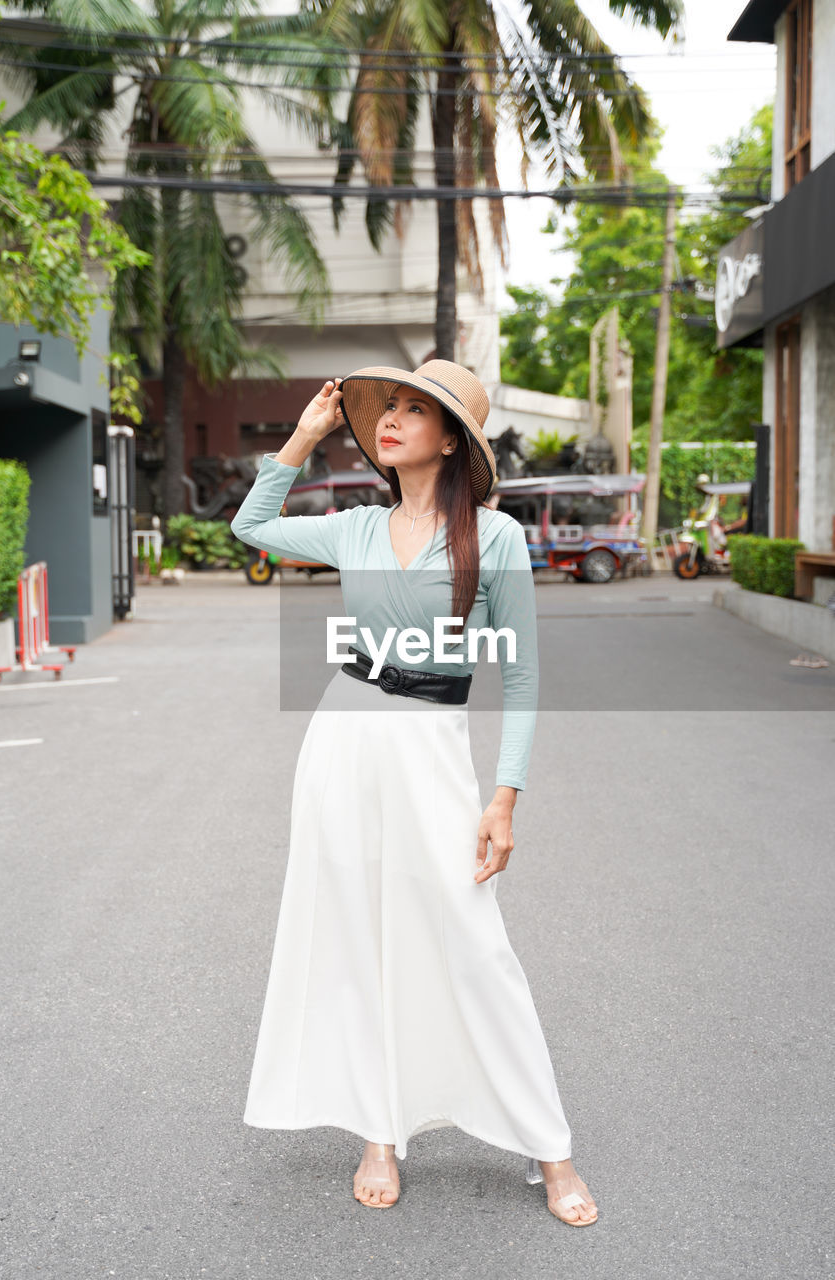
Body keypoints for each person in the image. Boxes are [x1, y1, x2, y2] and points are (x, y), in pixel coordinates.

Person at [230, 360, 598, 1226]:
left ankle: (553, 1152)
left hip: (431, 750)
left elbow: (523, 675)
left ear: (451, 439)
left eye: (411, 411)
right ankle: (378, 1134)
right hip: (342, 739)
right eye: (384, 408)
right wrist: (308, 433)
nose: (388, 421)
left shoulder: (495, 539)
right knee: (359, 940)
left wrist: (504, 797)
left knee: (476, 946)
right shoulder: (356, 526)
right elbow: (252, 523)